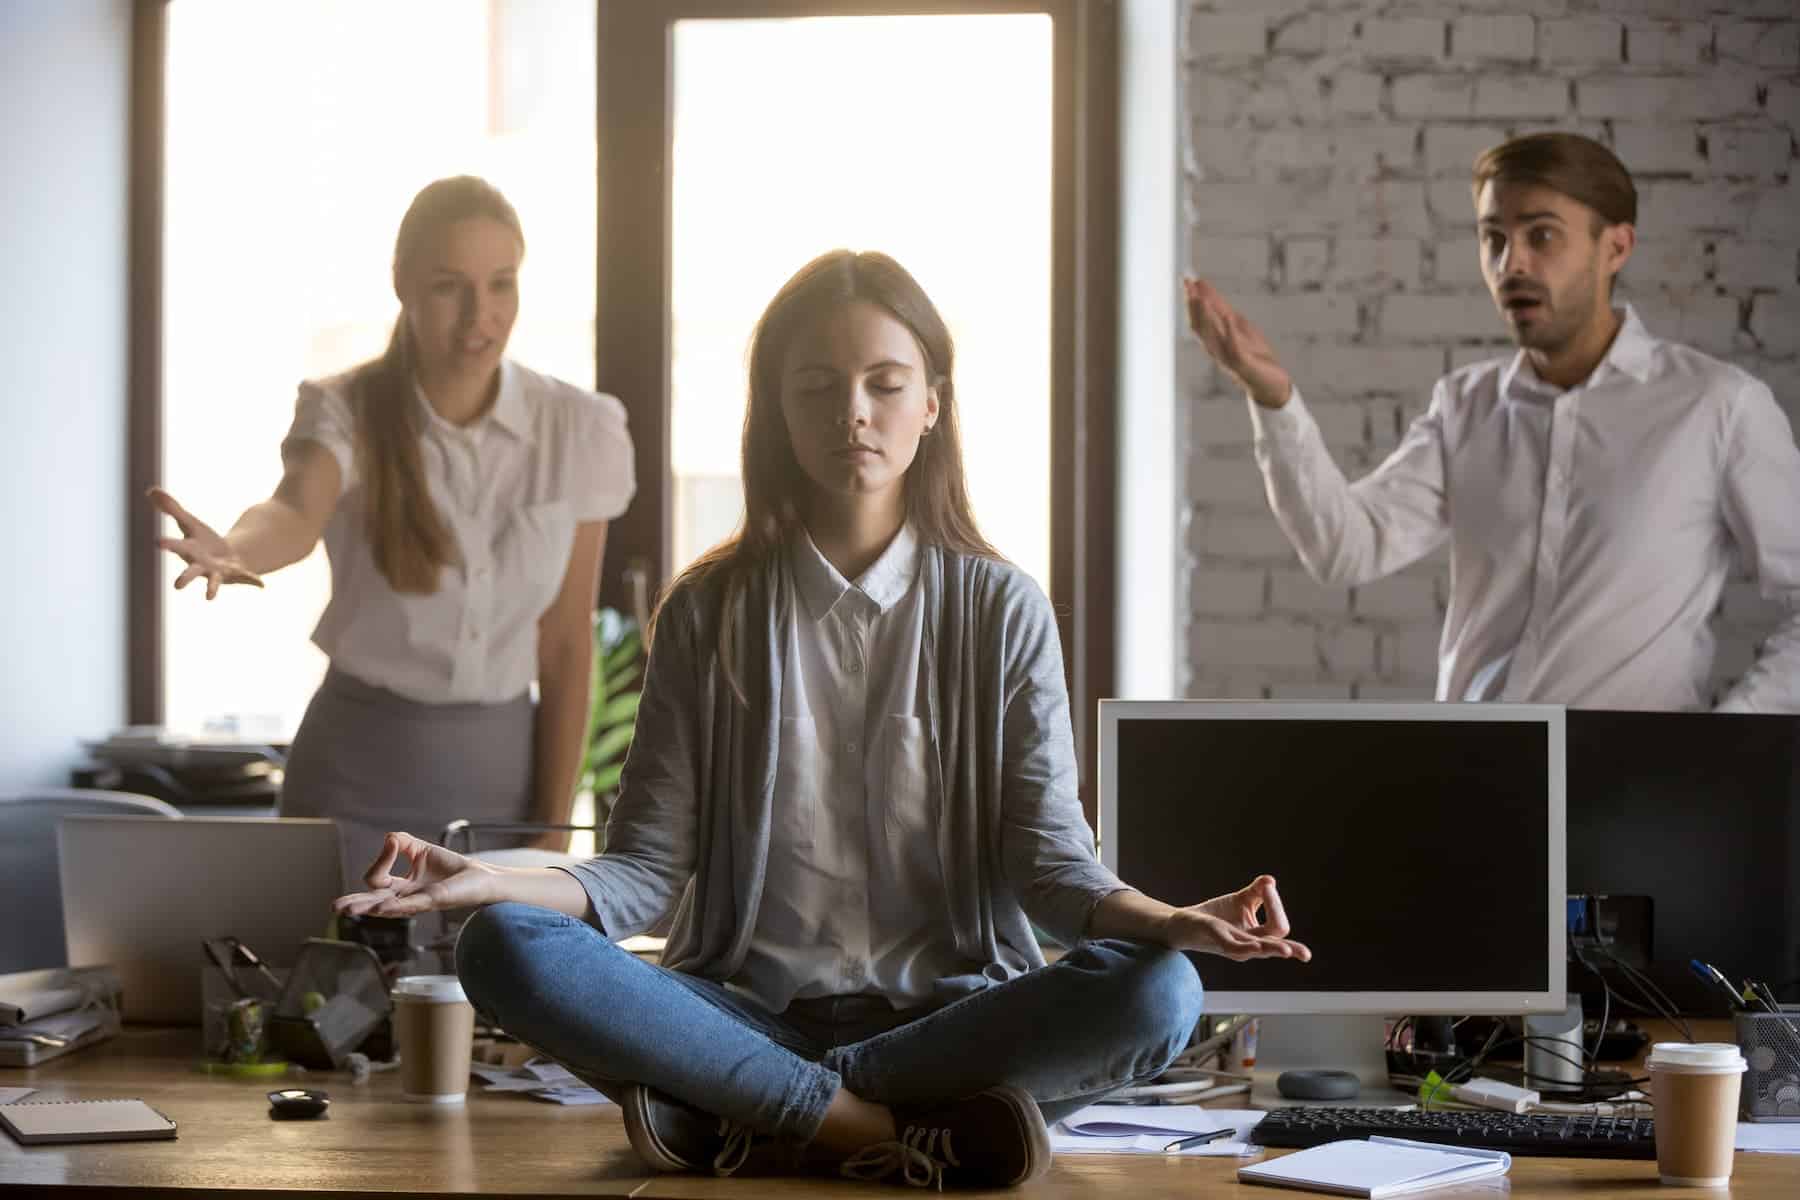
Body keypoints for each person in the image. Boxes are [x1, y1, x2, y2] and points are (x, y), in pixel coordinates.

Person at [335, 250, 1309, 1189]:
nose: (854, 413)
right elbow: (640, 875)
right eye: (817, 387)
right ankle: (876, 1131)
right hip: (744, 1015)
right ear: (776, 414)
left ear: (933, 404)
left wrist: (1173, 919)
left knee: (1164, 987)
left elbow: (1050, 870)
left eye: (886, 383)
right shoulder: (708, 611)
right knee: (502, 946)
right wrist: (490, 882)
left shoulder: (1001, 609)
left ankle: (752, 1117)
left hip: (949, 1023)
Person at [1185, 131, 1800, 711]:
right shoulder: (1466, 405)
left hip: (1634, 793)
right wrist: (1272, 396)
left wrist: (1729, 735)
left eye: (1543, 236)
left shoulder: (1717, 407)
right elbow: (1347, 548)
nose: (1512, 265)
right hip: (1470, 783)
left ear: (1616, 247)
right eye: (1494, 238)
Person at [152, 176, 635, 882]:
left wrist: (550, 839)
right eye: (449, 286)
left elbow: (566, 643)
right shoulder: (343, 408)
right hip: (352, 778)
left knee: (482, 991)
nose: (481, 314)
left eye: (501, 284)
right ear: (402, 282)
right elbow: (292, 510)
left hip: (502, 788)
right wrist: (233, 549)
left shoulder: (577, 427)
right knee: (331, 992)